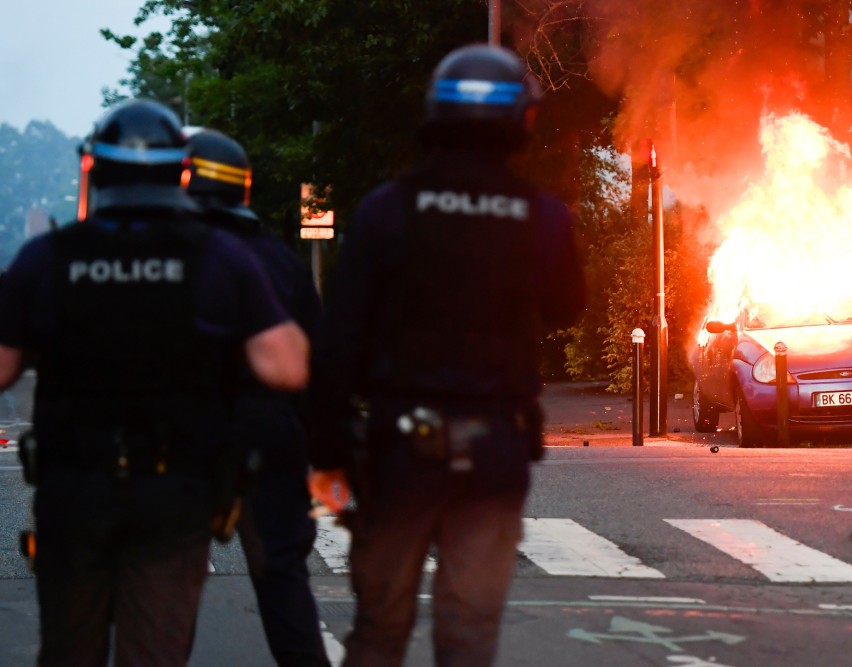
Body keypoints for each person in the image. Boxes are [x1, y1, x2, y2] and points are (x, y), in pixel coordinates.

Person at [0, 99, 309, 667]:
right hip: (177, 491)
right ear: (181, 172)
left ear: (93, 169)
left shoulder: (49, 258)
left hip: (75, 490)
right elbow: (287, 366)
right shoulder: (220, 257)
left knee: (69, 649)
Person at [309, 44, 586, 666]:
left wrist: (326, 451)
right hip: (494, 454)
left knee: (379, 630)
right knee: (467, 635)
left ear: (433, 112)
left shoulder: (388, 209)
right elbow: (569, 306)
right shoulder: (542, 217)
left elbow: (339, 342)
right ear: (524, 121)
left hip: (397, 453)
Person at [184, 128, 330, 667]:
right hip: (270, 444)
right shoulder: (280, 261)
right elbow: (318, 368)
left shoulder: (167, 257)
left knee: (166, 597)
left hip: (185, 449)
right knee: (283, 584)